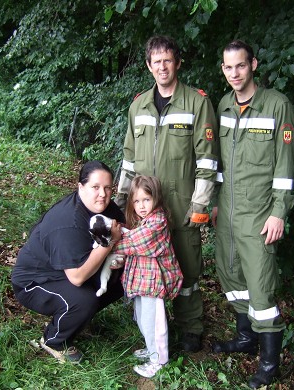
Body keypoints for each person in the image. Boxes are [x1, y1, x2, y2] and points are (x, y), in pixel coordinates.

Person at [115, 35, 218, 352]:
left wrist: (199, 207)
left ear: (178, 63)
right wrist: (120, 206)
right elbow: (129, 161)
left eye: (168, 60)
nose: (162, 66)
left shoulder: (197, 103)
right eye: (156, 61)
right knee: (148, 268)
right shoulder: (138, 106)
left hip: (182, 207)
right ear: (148, 66)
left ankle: (190, 327)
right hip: (144, 212)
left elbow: (208, 161)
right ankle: (155, 329)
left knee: (187, 271)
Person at [210, 40, 294, 388]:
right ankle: (246, 340)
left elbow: (286, 167)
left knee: (260, 289)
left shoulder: (277, 105)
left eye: (241, 66)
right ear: (223, 69)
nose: (235, 73)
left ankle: (269, 361)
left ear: (254, 65)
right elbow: (217, 161)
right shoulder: (222, 105)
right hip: (228, 212)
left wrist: (279, 212)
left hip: (260, 214)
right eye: (228, 67)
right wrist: (215, 201)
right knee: (232, 278)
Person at [11, 160, 125, 363]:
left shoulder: (105, 206)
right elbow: (78, 277)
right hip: (36, 282)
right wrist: (109, 243)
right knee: (84, 300)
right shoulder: (68, 222)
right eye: (95, 187)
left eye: (108, 188)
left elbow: (123, 229)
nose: (103, 194)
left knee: (124, 279)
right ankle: (53, 340)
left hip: (67, 270)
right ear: (80, 186)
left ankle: (77, 319)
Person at [112, 175, 183, 378]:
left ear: (156, 199)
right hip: (143, 282)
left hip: (154, 283)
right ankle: (151, 349)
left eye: (146, 200)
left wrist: (110, 243)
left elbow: (135, 243)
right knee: (143, 318)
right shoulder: (144, 220)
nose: (141, 206)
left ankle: (159, 360)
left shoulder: (157, 221)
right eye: (136, 201)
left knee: (154, 322)